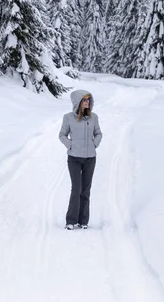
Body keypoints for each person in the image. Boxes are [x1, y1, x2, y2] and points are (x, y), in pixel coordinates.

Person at [59, 89, 102, 230]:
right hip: (74, 159)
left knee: (86, 190)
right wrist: (70, 145)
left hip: (90, 158)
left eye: (89, 100)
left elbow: (98, 133)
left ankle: (83, 221)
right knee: (76, 189)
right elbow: (62, 135)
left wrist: (94, 144)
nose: (87, 102)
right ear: (78, 102)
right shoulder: (68, 118)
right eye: (84, 100)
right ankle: (71, 221)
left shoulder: (94, 117)